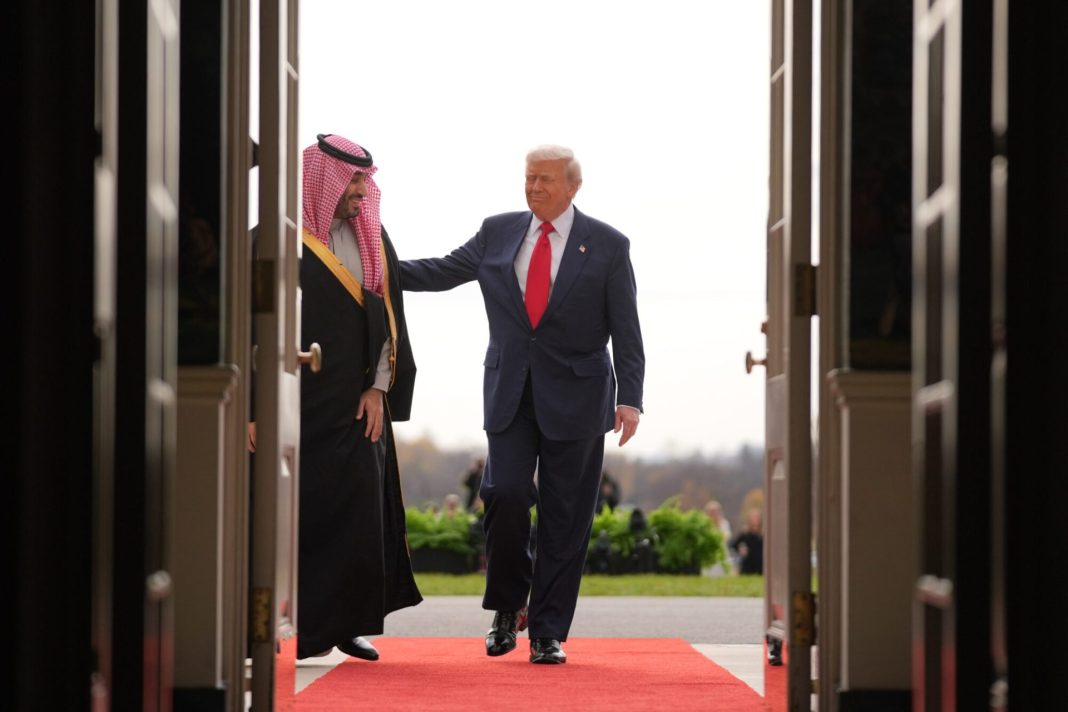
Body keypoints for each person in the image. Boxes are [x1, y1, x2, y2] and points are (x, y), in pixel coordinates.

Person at [400, 144, 645, 665]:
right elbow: (443, 270)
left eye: (545, 180)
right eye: (529, 177)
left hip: (579, 397)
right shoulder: (498, 231)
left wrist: (631, 398)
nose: (534, 187)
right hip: (511, 392)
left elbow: (627, 328)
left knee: (566, 517)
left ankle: (548, 632)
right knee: (505, 493)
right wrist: (374, 267)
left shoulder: (608, 244)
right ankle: (508, 608)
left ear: (573, 186)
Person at [280, 133, 421, 661]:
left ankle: (348, 625)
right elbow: (251, 326)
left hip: (358, 405)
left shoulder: (372, 238)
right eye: (353, 181)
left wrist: (378, 387)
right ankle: (285, 627)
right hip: (291, 405)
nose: (362, 191)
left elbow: (387, 320)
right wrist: (252, 410)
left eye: (365, 180)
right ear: (323, 180)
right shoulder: (277, 237)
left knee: (359, 514)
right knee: (298, 515)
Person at [729, 508, 764, 575]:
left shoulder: (763, 535)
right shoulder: (745, 535)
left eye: (757, 517)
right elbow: (732, 545)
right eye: (753, 518)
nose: (755, 520)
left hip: (760, 568)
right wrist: (740, 549)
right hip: (747, 568)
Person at [702, 499, 733, 576]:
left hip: (722, 554)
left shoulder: (724, 523)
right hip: (708, 555)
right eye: (711, 511)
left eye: (715, 511)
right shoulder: (703, 524)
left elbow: (726, 536)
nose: (713, 514)